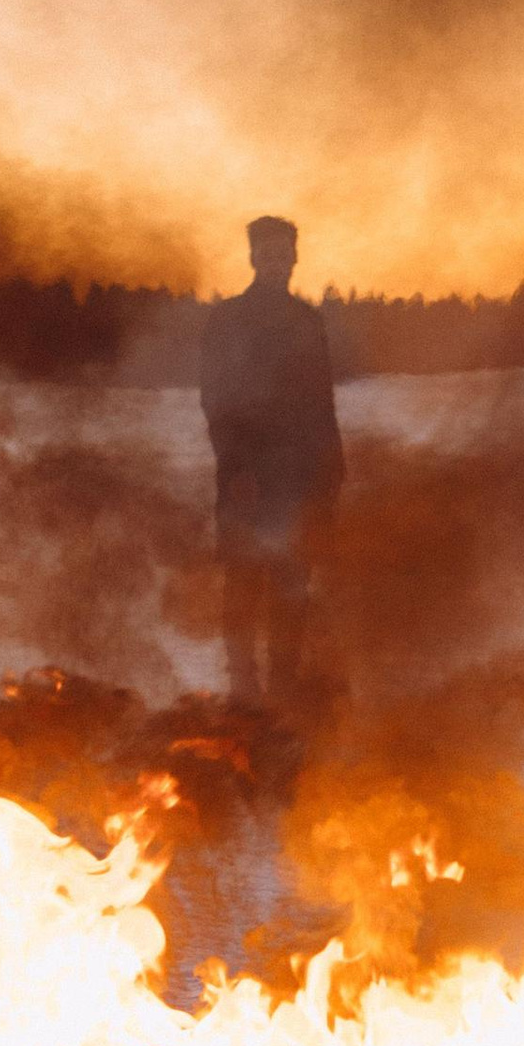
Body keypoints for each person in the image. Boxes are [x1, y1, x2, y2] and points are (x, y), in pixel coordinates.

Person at [198, 213, 343, 706]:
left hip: (299, 475)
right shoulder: (228, 319)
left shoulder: (307, 322)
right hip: (247, 474)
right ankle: (243, 687)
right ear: (253, 257)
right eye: (267, 252)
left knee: (292, 584)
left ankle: (283, 690)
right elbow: (216, 398)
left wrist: (332, 468)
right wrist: (236, 466)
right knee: (242, 581)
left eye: (284, 252)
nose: (276, 261)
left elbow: (322, 401)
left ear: (295, 257)